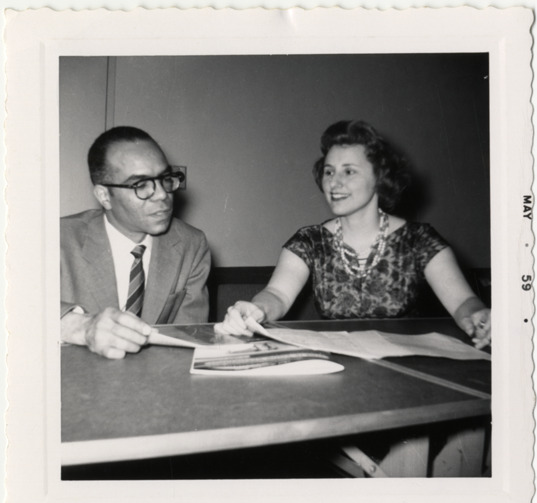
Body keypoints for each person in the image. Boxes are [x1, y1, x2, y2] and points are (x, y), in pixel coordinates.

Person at [218, 120, 491, 349]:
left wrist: (479, 317)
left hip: (411, 365)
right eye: (329, 172)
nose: (334, 182)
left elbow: (463, 303)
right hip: (339, 364)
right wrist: (256, 309)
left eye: (349, 171)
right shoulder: (309, 241)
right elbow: (276, 294)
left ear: (380, 177)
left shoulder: (419, 240)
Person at [61, 126, 211, 359]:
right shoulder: (55, 240)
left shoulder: (191, 244)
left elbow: (187, 341)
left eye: (165, 179)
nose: (162, 195)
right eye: (141, 185)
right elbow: (16, 309)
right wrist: (81, 326)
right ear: (104, 196)